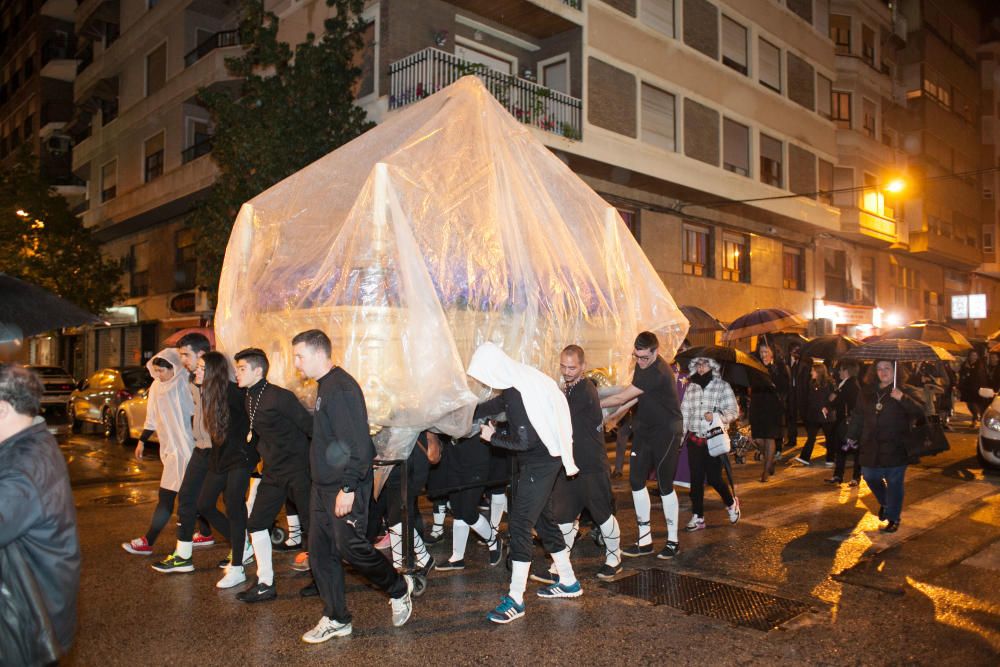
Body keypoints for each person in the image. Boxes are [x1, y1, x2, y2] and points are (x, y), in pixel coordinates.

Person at [291, 329, 414, 642]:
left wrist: (347, 488)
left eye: (299, 356)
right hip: (322, 487)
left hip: (343, 487)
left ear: (319, 354)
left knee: (352, 549)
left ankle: (399, 587)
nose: (297, 363)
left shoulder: (341, 389)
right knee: (320, 554)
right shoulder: (325, 386)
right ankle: (336, 617)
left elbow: (359, 446)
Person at [468, 342, 581, 624]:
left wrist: (490, 436)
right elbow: (498, 404)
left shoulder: (517, 394)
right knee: (543, 521)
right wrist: (469, 410)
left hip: (539, 462)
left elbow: (522, 441)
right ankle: (568, 581)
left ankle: (516, 599)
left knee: (519, 524)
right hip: (548, 457)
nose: (486, 381)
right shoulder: (518, 378)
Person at [0, 364, 80, 664]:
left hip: (25, 624)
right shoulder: (31, 442)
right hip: (31, 614)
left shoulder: (23, 467)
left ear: (3, 409)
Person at [534, 345, 622, 583]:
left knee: (602, 515)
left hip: (592, 465)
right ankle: (560, 564)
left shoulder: (585, 389)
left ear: (583, 366)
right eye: (563, 366)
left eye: (572, 367)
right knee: (563, 515)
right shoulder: (568, 388)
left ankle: (615, 558)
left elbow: (557, 418)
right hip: (571, 465)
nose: (566, 371)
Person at [233, 348, 314, 603]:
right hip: (273, 472)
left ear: (258, 371)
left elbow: (311, 428)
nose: (236, 373)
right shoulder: (249, 397)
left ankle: (322, 579)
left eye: (242, 368)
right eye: (236, 368)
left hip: (300, 470)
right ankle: (265, 583)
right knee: (256, 523)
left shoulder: (280, 397)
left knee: (313, 527)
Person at [600, 331, 684, 560]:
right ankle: (645, 540)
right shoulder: (643, 366)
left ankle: (673, 541)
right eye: (637, 356)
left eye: (644, 357)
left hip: (667, 431)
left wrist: (592, 405)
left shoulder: (657, 371)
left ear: (656, 352)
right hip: (645, 429)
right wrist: (613, 417)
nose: (640, 361)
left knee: (665, 485)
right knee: (636, 481)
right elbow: (636, 396)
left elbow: (621, 396)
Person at [122, 350, 196, 555]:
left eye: (162, 371)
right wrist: (142, 441)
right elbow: (152, 417)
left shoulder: (185, 383)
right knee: (194, 498)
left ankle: (149, 540)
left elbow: (195, 414)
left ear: (174, 367)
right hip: (169, 449)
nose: (158, 375)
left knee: (168, 498)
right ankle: (207, 533)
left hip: (187, 447)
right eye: (155, 371)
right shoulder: (156, 386)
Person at [845, 360, 924, 532]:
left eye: (887, 368)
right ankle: (886, 503)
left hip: (896, 445)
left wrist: (902, 398)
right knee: (869, 475)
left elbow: (920, 411)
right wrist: (851, 435)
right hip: (871, 444)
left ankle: (894, 518)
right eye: (879, 369)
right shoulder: (866, 392)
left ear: (896, 371)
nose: (883, 372)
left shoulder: (906, 390)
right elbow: (858, 415)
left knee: (895, 483)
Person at [681, 357, 740, 531]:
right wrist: (679, 438)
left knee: (715, 479)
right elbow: (684, 414)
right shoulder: (691, 387)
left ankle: (731, 504)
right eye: (697, 364)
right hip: (694, 440)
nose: (700, 368)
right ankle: (698, 517)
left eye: (704, 364)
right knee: (696, 480)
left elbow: (734, 411)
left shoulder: (722, 386)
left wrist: (717, 416)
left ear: (712, 366)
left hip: (714, 440)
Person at [749, 345, 788, 483]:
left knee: (770, 437)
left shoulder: (778, 368)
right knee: (759, 439)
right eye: (761, 352)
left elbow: (784, 386)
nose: (763, 354)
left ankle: (765, 470)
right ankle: (769, 460)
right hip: (757, 405)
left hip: (772, 406)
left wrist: (775, 373)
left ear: (772, 353)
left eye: (766, 351)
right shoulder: (756, 367)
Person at [825, 362, 862, 486]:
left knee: (855, 449)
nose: (838, 372)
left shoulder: (851, 385)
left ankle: (855, 477)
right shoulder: (845, 384)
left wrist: (835, 397)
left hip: (850, 422)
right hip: (844, 421)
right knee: (841, 448)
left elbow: (836, 401)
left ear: (846, 370)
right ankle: (838, 475)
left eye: (840, 370)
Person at [793, 363, 836, 466]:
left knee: (829, 438)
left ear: (818, 372)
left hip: (827, 416)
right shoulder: (812, 383)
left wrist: (827, 407)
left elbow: (833, 396)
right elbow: (811, 398)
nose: (811, 372)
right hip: (815, 415)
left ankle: (830, 459)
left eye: (813, 370)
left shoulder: (829, 383)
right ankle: (805, 457)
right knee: (811, 437)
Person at [958, 350, 989, 427]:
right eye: (972, 355)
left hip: (977, 388)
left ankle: (976, 419)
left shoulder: (980, 365)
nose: (973, 357)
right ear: (969, 356)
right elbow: (961, 374)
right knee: (970, 404)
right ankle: (975, 417)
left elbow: (980, 376)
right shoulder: (965, 364)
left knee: (978, 404)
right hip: (967, 388)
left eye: (975, 355)